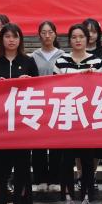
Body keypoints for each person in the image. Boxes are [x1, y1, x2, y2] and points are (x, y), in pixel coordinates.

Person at [0, 23, 38, 204]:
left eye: (15, 36)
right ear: (1, 39)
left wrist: (28, 82)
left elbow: (39, 90)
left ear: (20, 39)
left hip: (22, 123)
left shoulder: (29, 61)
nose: (11, 40)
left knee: (22, 167)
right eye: (7, 36)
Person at [55, 25, 102, 204]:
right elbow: (54, 87)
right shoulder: (61, 61)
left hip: (88, 118)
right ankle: (68, 199)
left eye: (81, 36)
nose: (78, 40)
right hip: (67, 117)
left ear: (87, 39)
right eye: (74, 37)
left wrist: (93, 78)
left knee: (87, 161)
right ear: (69, 40)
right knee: (66, 161)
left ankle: (86, 198)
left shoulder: (96, 61)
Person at [31, 21, 63, 194]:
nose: (47, 35)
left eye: (50, 32)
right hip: (39, 104)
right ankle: (41, 179)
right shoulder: (33, 56)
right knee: (39, 144)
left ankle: (55, 178)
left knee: (57, 144)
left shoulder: (63, 55)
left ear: (55, 34)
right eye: (44, 32)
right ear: (39, 35)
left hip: (58, 104)